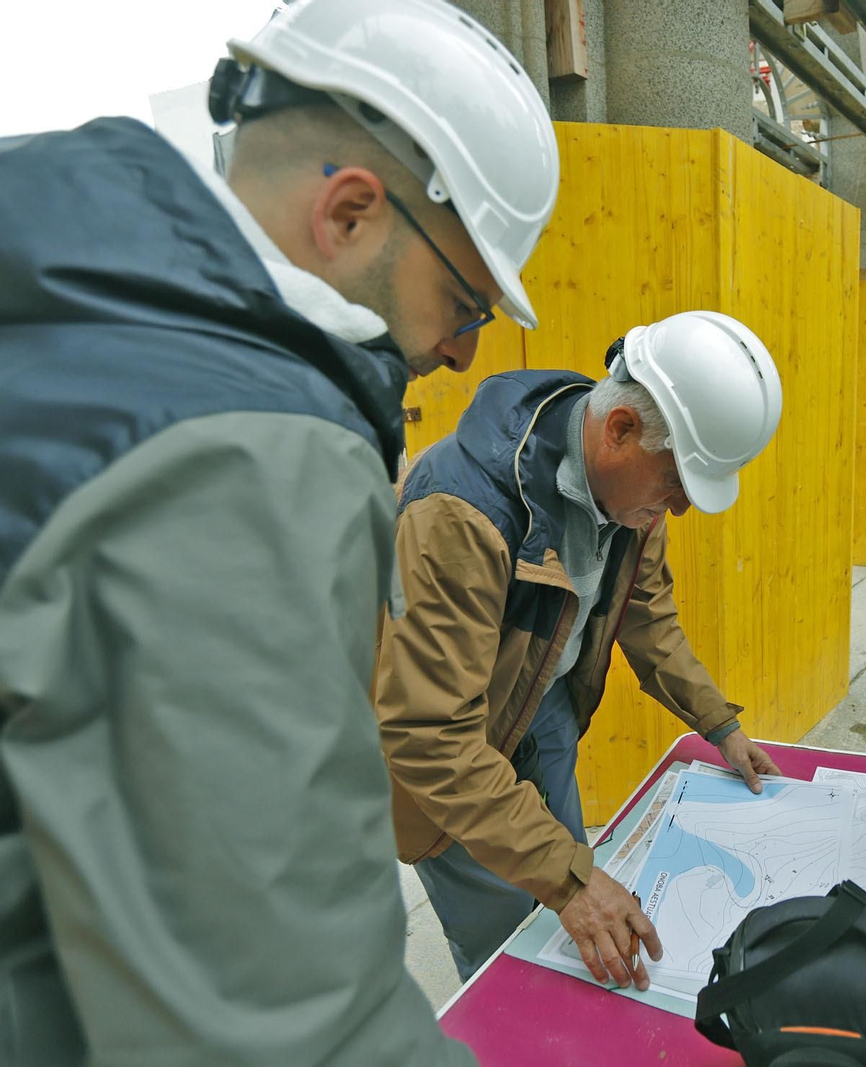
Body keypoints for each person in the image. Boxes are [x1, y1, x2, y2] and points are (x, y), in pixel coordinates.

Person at [0, 0, 558, 1061]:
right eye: (466, 301)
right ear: (350, 213)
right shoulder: (245, 452)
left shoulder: (67, 303)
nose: (460, 354)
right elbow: (285, 1014)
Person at [372, 311, 784, 990]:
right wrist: (571, 881)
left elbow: (649, 619)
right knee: (510, 948)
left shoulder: (634, 497)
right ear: (619, 430)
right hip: (450, 756)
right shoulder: (460, 511)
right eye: (676, 484)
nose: (678, 509)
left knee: (572, 904)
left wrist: (722, 723)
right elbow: (428, 735)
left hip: (545, 711)